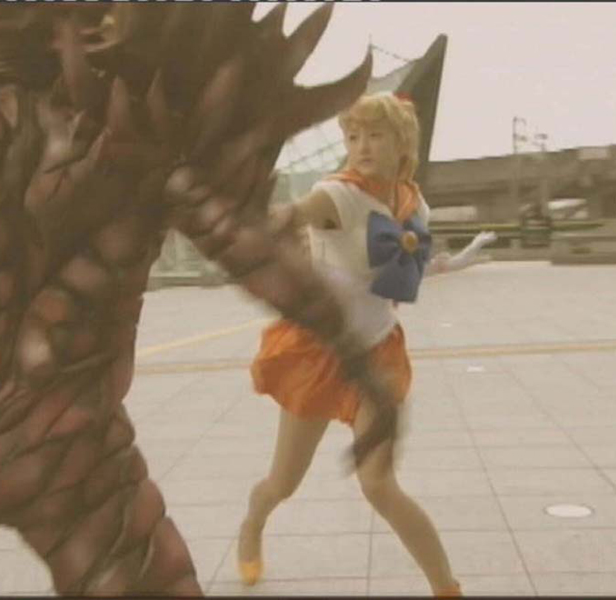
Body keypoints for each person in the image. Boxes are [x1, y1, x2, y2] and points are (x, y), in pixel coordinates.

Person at [237, 92, 492, 597]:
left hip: (379, 353)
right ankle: (253, 523)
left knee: (379, 483)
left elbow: (405, 266)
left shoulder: (414, 203)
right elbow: (294, 213)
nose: (362, 146)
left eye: (375, 135)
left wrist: (457, 261)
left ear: (403, 143)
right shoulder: (340, 194)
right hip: (320, 353)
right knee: (283, 482)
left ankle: (447, 589)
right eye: (353, 136)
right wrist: (258, 219)